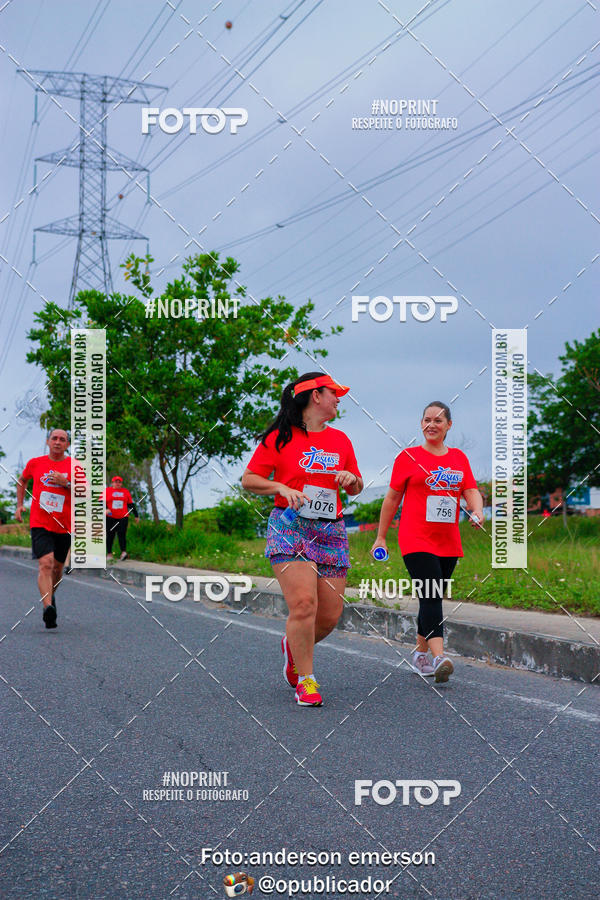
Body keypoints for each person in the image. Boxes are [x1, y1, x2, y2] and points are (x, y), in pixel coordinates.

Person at [241, 372, 363, 707]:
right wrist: (279, 487)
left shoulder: (341, 440)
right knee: (304, 605)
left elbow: (357, 485)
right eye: (333, 393)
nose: (338, 398)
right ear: (315, 396)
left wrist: (351, 479)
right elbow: (249, 479)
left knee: (328, 616)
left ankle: (292, 647)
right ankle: (306, 682)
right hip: (290, 525)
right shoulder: (279, 439)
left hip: (331, 528)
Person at [372, 402, 483, 683]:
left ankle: (420, 654)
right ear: (421, 424)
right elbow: (392, 499)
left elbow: (470, 490)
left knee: (430, 596)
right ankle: (439, 656)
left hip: (447, 541)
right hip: (415, 538)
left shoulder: (458, 458)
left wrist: (477, 510)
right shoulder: (408, 456)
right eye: (426, 420)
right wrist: (381, 537)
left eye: (438, 420)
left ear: (448, 425)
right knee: (431, 592)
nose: (431, 425)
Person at [15, 429, 72, 629]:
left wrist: (67, 483)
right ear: (47, 441)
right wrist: (19, 505)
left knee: (57, 569)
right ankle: (48, 608)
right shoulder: (35, 463)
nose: (57, 442)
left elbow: (85, 492)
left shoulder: (74, 466)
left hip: (64, 525)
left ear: (67, 444)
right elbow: (22, 481)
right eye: (54, 438)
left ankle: (50, 597)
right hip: (40, 522)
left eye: (62, 439)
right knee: (45, 564)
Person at [104, 475, 139, 561]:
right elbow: (100, 501)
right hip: (110, 517)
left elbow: (130, 504)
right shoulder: (107, 491)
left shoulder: (125, 491)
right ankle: (109, 554)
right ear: (112, 483)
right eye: (116, 482)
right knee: (110, 535)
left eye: (119, 482)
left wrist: (136, 515)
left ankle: (123, 553)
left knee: (122, 534)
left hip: (123, 517)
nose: (118, 483)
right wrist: (105, 508)